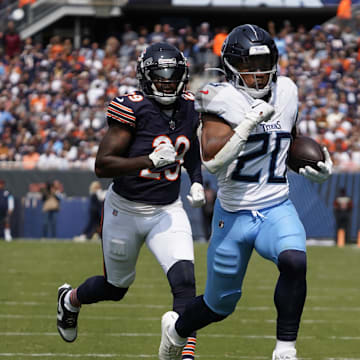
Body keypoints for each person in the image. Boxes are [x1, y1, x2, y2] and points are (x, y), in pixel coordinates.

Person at [158, 24, 333, 360]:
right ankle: (177, 330)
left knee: (295, 260)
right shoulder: (219, 97)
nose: (259, 72)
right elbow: (210, 160)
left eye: (264, 62)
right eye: (250, 66)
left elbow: (287, 143)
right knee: (218, 305)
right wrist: (247, 124)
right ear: (232, 67)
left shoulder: (288, 92)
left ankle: (285, 348)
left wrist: (316, 165)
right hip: (234, 215)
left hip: (275, 207)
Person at [56, 42, 206, 360]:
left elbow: (190, 148)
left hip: (167, 209)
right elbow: (103, 164)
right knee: (115, 287)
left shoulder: (190, 106)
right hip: (125, 208)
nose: (167, 82)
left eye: (173, 75)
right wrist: (149, 161)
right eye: (160, 76)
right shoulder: (132, 107)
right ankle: (70, 300)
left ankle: (185, 355)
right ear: (144, 77)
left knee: (185, 282)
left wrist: (197, 181)